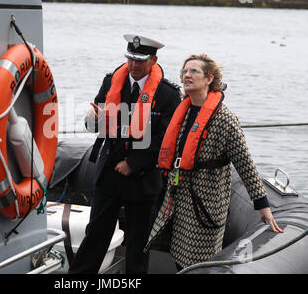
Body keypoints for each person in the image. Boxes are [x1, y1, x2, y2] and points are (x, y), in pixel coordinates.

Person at [145, 53, 283, 271]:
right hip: (178, 201)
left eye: (194, 71)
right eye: (184, 71)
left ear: (209, 79)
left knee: (200, 263)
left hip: (205, 205)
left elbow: (245, 165)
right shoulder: (184, 110)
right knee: (177, 258)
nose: (186, 75)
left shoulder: (225, 119)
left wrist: (263, 205)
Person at [68, 34, 181, 274]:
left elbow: (166, 139)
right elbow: (96, 122)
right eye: (130, 59)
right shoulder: (111, 82)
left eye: (140, 60)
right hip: (109, 172)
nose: (134, 65)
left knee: (138, 244)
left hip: (143, 178)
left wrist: (133, 163)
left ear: (154, 60)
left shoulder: (168, 94)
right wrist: (91, 121)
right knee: (96, 234)